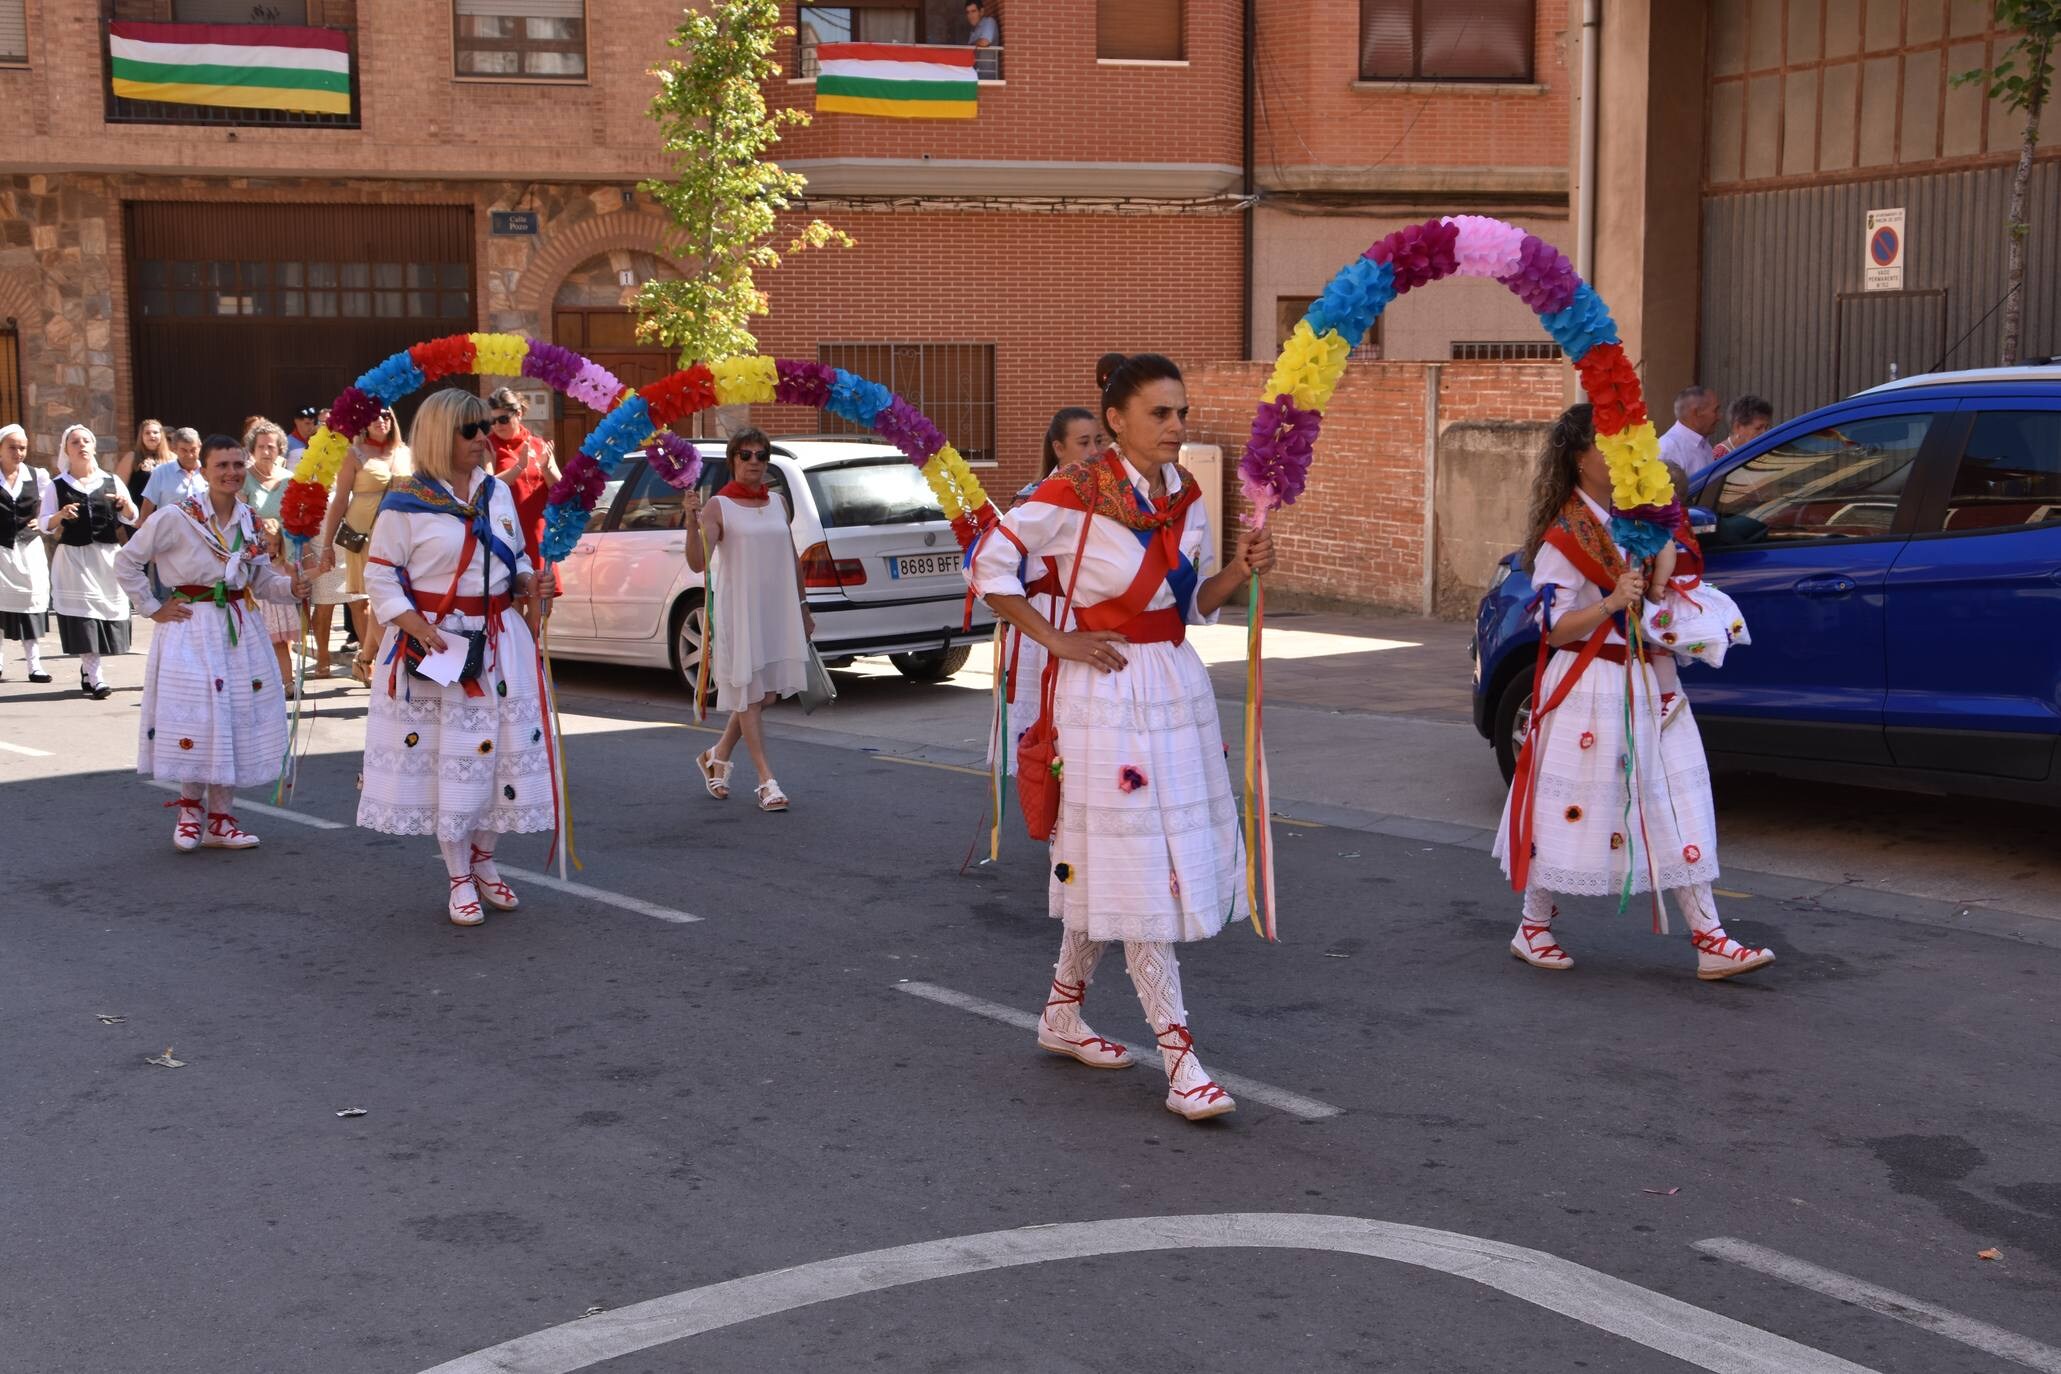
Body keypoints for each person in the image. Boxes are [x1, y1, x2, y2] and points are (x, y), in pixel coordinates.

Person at [968, 353, 1277, 1123]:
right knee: (1141, 865)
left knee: (1122, 860)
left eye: (1180, 412)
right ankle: (1180, 1059)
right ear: (1116, 419)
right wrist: (1057, 638)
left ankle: (1062, 1013)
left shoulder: (1189, 497)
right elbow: (989, 563)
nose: (1177, 426)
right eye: (1160, 414)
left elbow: (1194, 604)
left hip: (1172, 681)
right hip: (1104, 692)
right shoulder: (1069, 493)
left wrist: (1239, 569)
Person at [1492, 404, 1775, 982]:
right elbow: (1551, 626)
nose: (1618, 454)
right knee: (1573, 812)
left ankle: (1710, 936)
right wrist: (1611, 603)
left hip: (1647, 678)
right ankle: (1533, 925)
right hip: (1587, 684)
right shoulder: (1563, 535)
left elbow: (1663, 585)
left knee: (1674, 800)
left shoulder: (1636, 516)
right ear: (1578, 457)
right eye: (1604, 444)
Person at [356, 388, 552, 927]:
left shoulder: (496, 492)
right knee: (456, 760)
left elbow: (512, 558)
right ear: (442, 435)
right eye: (471, 430)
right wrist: (417, 626)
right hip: (438, 646)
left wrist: (532, 581)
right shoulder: (404, 502)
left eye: (485, 427)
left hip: (499, 640)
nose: (484, 439)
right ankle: (458, 874)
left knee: (500, 756)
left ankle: (484, 860)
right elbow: (380, 574)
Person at [116, 435, 304, 851]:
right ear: (204, 470)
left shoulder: (251, 520)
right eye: (222, 465)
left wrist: (294, 587)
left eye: (238, 464)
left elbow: (262, 581)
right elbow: (126, 560)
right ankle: (189, 811)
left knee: (233, 717)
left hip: (241, 627)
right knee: (197, 719)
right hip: (190, 626)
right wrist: (152, 607)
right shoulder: (176, 517)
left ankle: (221, 819)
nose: (232, 473)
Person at [685, 429, 812, 812]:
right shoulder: (719, 507)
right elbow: (696, 562)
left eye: (761, 454)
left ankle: (716, 755)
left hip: (776, 609)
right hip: (739, 611)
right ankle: (766, 781)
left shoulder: (777, 502)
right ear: (733, 460)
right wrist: (691, 520)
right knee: (750, 695)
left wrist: (804, 607)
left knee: (765, 695)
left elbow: (790, 555)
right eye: (746, 454)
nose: (754, 461)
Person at [995, 407, 1100, 775]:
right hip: (1045, 622)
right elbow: (997, 565)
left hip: (1087, 617)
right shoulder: (1034, 501)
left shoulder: (1108, 497)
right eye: (1083, 442)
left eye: (1098, 441)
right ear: (1058, 447)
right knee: (1043, 735)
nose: (1094, 451)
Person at [316, 405, 411, 684]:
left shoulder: (406, 453)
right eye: (373, 416)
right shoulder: (354, 454)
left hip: (402, 535)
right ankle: (389, 667)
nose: (380, 420)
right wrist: (326, 546)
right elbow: (340, 500)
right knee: (377, 599)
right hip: (365, 536)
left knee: (389, 599)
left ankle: (365, 658)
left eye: (385, 415)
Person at [43, 425, 137, 698]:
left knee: (103, 613)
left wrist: (124, 505)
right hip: (74, 558)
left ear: (94, 447)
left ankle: (87, 669)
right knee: (85, 616)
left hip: (105, 558)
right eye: (75, 442)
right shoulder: (56, 485)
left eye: (86, 441)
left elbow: (131, 517)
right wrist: (60, 514)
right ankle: (96, 677)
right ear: (66, 450)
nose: (81, 445)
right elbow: (46, 524)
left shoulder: (111, 481)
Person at [485, 387, 563, 605]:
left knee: (540, 608)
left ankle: (536, 640)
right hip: (507, 532)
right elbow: (486, 486)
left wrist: (547, 468)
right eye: (492, 421)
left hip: (537, 533)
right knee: (513, 608)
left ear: (518, 414)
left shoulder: (538, 443)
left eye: (502, 419)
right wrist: (519, 467)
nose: (497, 426)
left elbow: (560, 489)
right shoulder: (488, 445)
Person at [242, 419, 301, 699]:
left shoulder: (290, 479)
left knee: (282, 628)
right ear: (252, 450)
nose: (267, 451)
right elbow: (238, 518)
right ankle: (259, 684)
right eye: (261, 447)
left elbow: (299, 519)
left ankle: (286, 681)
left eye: (272, 447)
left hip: (286, 556)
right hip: (256, 558)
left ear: (280, 450)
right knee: (256, 628)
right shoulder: (244, 478)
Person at [0, 424, 54, 683]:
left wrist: (41, 522)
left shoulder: (37, 475)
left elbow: (49, 506)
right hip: (1, 548)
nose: (18, 452)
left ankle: (34, 665)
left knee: (30, 604)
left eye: (22, 447)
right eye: (12, 447)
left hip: (28, 546)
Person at [138, 427, 206, 523]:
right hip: (169, 534)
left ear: (200, 447)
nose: (189, 455)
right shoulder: (161, 472)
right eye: (184, 450)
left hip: (203, 534)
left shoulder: (209, 472)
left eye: (193, 450)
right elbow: (147, 508)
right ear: (174, 449)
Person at [1658, 385, 1722, 481]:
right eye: (1715, 411)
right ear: (1696, 413)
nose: (1719, 417)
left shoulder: (1703, 443)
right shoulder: (1669, 448)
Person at [115, 418, 169, 510]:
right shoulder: (131, 457)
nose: (152, 435)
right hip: (138, 515)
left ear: (161, 435)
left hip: (166, 514)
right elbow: (119, 487)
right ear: (141, 436)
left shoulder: (172, 458)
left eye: (155, 432)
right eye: (147, 433)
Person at [1710, 394, 1774, 461]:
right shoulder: (1719, 457)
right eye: (1758, 428)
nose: (1764, 433)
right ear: (1737, 427)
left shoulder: (1761, 450)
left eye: (1766, 428)